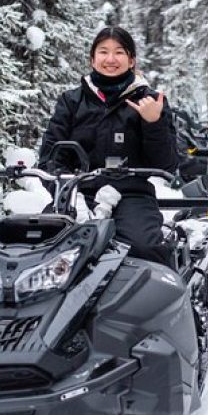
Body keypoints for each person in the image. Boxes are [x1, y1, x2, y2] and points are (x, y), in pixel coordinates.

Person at [38, 26, 178, 265]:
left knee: (144, 248)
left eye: (119, 52)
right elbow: (51, 158)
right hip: (78, 193)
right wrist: (69, 191)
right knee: (43, 244)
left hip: (131, 195)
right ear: (92, 59)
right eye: (103, 52)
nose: (110, 59)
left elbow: (166, 164)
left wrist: (153, 123)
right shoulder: (71, 101)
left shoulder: (149, 101)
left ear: (131, 60)